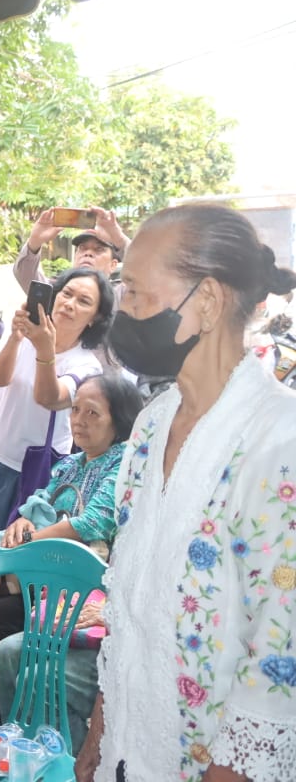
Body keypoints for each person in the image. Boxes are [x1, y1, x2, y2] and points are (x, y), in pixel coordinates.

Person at [75, 204, 296, 782]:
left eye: (136, 293)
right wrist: (100, 728)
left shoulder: (280, 439)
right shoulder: (152, 423)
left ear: (209, 300)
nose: (123, 311)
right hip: (128, 750)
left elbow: (280, 646)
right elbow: (129, 597)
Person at [0, 373, 143, 741]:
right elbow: (40, 501)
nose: (79, 420)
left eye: (92, 413)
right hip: (44, 575)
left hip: (80, 587)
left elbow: (93, 522)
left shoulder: (122, 465)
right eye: (75, 410)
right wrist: (23, 523)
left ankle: (10, 719)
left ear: (120, 421)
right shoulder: (71, 464)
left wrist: (25, 545)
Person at [0, 267, 111, 543]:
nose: (70, 304)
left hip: (37, 475)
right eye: (67, 293)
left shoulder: (86, 365)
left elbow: (50, 398)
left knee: (13, 555)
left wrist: (44, 349)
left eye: (84, 301)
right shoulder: (28, 338)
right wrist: (16, 337)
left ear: (95, 318)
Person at [14, 207, 129, 295]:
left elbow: (141, 272)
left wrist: (119, 239)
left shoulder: (121, 297)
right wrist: (35, 241)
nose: (88, 253)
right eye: (82, 248)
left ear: (113, 265)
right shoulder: (56, 291)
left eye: (98, 249)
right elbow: (25, 274)